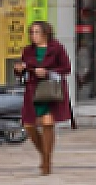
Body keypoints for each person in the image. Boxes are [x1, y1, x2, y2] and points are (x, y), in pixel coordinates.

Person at [15, 20, 72, 175]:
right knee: (29, 125)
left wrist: (47, 72)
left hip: (50, 90)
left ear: (46, 33)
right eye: (32, 32)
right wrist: (19, 69)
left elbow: (67, 68)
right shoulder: (28, 50)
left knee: (47, 123)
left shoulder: (57, 48)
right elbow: (23, 69)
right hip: (33, 90)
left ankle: (46, 163)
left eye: (37, 32)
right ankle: (45, 157)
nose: (34, 35)